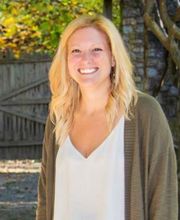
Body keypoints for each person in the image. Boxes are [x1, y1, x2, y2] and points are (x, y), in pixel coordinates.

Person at [36, 14, 178, 220]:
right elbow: (45, 200)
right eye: (76, 51)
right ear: (66, 60)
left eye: (96, 50)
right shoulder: (59, 117)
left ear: (113, 57)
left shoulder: (144, 113)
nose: (86, 59)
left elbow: (164, 196)